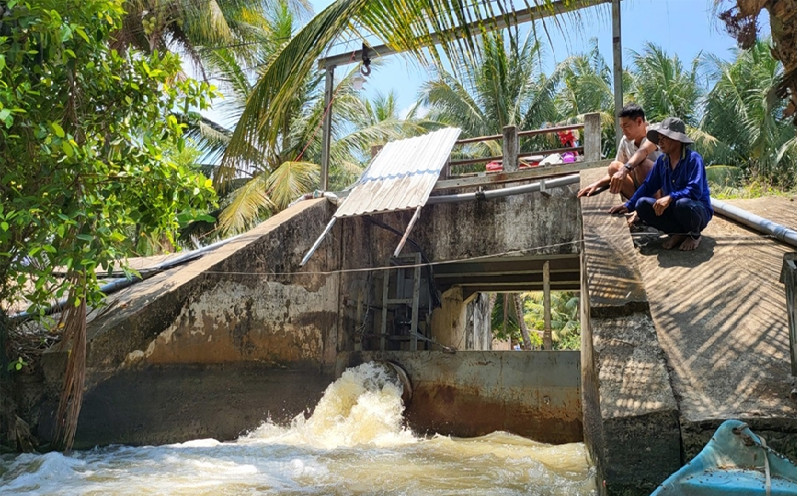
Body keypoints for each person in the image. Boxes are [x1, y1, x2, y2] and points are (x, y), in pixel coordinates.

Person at [609, 117, 712, 251]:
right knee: (642, 204)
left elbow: (695, 190)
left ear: (677, 140)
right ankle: (678, 233)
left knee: (683, 204)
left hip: (695, 210)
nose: (660, 142)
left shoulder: (693, 159)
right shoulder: (662, 162)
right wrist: (629, 205)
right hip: (674, 210)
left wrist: (670, 198)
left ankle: (694, 235)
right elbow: (648, 186)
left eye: (664, 138)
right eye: (659, 138)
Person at [578, 103, 661, 199]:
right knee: (614, 167)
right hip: (640, 186)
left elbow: (643, 151)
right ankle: (638, 205)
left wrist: (624, 169)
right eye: (622, 127)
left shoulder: (655, 132)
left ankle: (656, 206)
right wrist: (598, 184)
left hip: (663, 185)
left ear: (639, 121)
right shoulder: (625, 140)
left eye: (626, 125)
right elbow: (617, 173)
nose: (624, 130)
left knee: (642, 164)